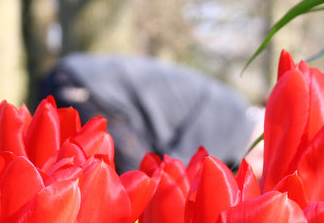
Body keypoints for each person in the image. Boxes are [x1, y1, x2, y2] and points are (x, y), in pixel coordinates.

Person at [39, 53, 262, 174]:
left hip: (76, 76)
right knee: (137, 183)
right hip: (87, 87)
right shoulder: (235, 127)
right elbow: (177, 172)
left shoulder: (232, 108)